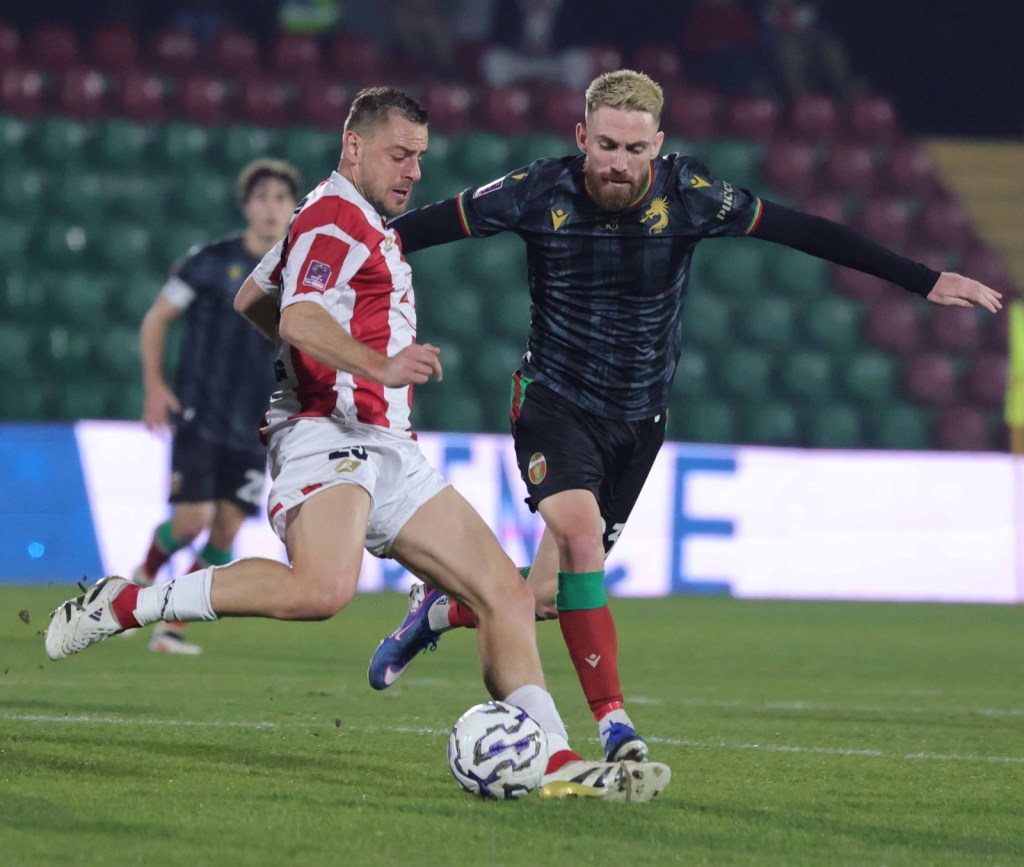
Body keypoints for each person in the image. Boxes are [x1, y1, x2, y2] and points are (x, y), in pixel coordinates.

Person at [44, 86, 671, 803]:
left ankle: (555, 756)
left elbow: (255, 299)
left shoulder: (345, 218)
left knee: (503, 591)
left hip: (386, 443)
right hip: (327, 434)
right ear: (354, 146)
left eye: (421, 160)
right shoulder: (337, 218)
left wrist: (321, 365)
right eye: (399, 156)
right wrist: (370, 367)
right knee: (321, 590)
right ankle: (128, 604)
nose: (413, 173)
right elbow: (302, 316)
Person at [367, 69, 1004, 764]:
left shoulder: (693, 196)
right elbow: (410, 233)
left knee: (547, 595)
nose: (619, 162)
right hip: (554, 402)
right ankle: (613, 723)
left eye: (635, 149)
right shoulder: (537, 191)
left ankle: (442, 606)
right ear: (582, 136)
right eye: (606, 144)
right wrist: (319, 261)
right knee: (581, 541)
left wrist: (924, 278)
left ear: (659, 144)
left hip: (638, 421)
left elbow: (805, 231)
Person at [133, 158, 300, 655]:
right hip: (201, 413)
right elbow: (156, 319)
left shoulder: (300, 274)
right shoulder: (208, 261)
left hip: (256, 421)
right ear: (246, 206)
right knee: (191, 522)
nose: (270, 209)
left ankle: (171, 626)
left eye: (280, 199)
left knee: (227, 527)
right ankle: (143, 576)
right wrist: (154, 386)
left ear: (294, 208)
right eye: (261, 198)